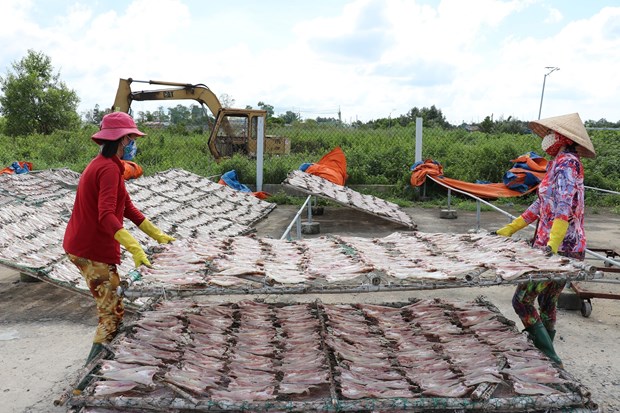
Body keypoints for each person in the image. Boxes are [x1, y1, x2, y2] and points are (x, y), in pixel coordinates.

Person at [63, 112, 175, 365]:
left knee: (112, 306)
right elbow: (105, 216)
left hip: (83, 244)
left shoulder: (109, 166)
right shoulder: (107, 170)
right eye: (132, 139)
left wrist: (158, 235)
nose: (135, 144)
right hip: (91, 249)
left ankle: (102, 360)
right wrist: (135, 248)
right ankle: (92, 371)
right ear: (122, 140)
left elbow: (127, 209)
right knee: (111, 312)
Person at [495, 113, 595, 368]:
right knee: (547, 300)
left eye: (551, 134)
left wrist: (552, 245)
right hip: (566, 248)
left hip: (558, 249)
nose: (546, 139)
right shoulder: (557, 163)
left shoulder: (567, 164)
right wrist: (512, 228)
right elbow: (542, 203)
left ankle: (549, 357)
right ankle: (547, 357)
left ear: (561, 137)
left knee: (522, 300)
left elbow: (563, 205)